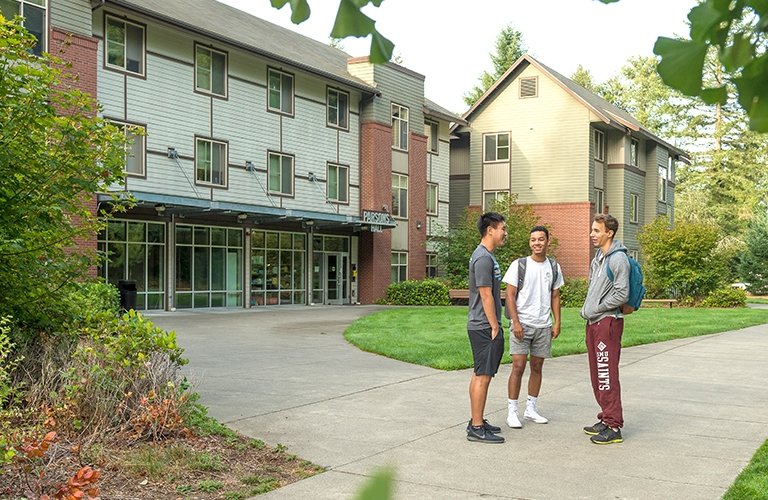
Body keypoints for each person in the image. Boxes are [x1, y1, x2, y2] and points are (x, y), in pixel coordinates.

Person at [502, 226, 564, 428]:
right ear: (529, 243)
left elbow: (555, 295)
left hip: (543, 326)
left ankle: (531, 409)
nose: (536, 243)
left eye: (540, 239)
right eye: (533, 240)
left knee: (537, 367)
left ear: (547, 241)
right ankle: (512, 411)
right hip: (522, 324)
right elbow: (509, 295)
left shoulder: (553, 267)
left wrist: (557, 322)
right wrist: (516, 322)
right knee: (518, 366)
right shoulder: (519, 265)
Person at [580, 213, 630, 445]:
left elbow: (622, 293)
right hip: (593, 322)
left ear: (609, 233)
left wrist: (598, 308)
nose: (592, 234)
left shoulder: (617, 259)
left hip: (607, 322)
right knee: (597, 373)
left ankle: (614, 426)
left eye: (596, 230)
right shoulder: (598, 258)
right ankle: (605, 416)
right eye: (592, 230)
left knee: (606, 373)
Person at [466, 212, 507, 443]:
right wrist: (494, 326)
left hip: (481, 324)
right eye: (502, 228)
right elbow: (485, 294)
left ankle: (477, 419)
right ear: (490, 229)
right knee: (483, 376)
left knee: (480, 374)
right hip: (483, 325)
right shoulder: (483, 258)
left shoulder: (486, 256)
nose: (505, 233)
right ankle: (476, 426)